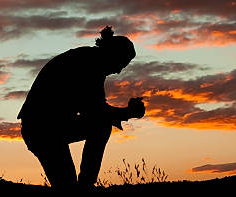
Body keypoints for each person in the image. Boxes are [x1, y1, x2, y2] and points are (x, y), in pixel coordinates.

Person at [17, 26, 145, 188]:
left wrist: (123, 113)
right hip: (43, 131)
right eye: (121, 64)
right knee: (68, 186)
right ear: (113, 55)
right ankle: (86, 185)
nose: (119, 71)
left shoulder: (88, 59)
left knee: (101, 126)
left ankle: (85, 185)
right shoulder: (90, 65)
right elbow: (96, 111)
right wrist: (127, 113)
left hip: (49, 127)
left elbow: (95, 110)